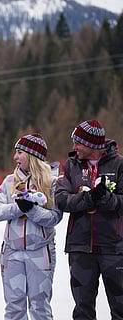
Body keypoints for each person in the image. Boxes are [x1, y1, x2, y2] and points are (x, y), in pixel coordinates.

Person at [55, 120, 123, 319]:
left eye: (78, 142)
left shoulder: (119, 164)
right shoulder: (70, 166)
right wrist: (89, 197)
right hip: (80, 249)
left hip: (114, 248)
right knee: (83, 310)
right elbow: (61, 200)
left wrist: (105, 198)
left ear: (93, 145)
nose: (74, 147)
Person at [0, 133, 63, 320]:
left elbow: (55, 217)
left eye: (20, 152)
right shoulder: (9, 182)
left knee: (40, 306)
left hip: (40, 252)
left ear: (32, 156)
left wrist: (32, 210)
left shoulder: (52, 183)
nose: (15, 157)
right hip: (12, 252)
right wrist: (18, 208)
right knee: (14, 307)